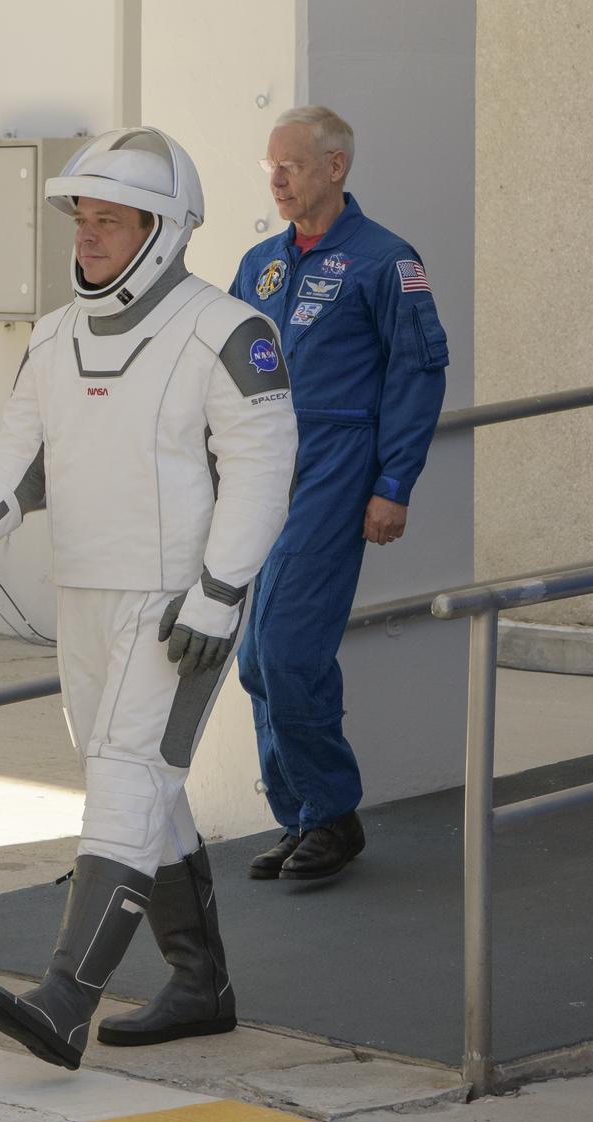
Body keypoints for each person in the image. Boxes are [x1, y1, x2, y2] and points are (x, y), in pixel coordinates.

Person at [0, 127, 298, 1070]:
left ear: (163, 232)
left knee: (129, 778)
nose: (86, 238)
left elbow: (263, 470)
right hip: (82, 592)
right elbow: (17, 458)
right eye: (81, 220)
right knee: (137, 786)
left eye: (109, 222)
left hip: (178, 605)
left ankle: (66, 997)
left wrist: (219, 592)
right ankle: (200, 982)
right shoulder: (51, 337)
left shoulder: (231, 330)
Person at [232, 106, 449, 883]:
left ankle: (331, 812)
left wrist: (394, 482)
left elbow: (418, 373)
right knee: (256, 658)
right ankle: (302, 816)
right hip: (262, 471)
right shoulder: (259, 262)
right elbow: (223, 372)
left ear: (336, 166)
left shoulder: (387, 261)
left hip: (335, 467)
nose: (278, 179)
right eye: (270, 167)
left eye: (291, 164)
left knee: (284, 645)